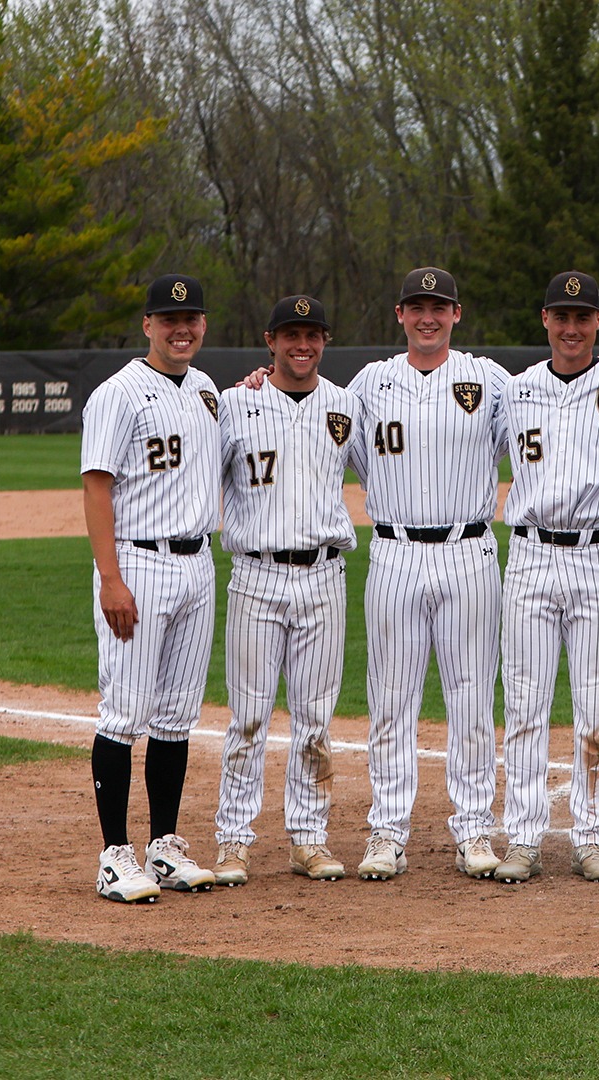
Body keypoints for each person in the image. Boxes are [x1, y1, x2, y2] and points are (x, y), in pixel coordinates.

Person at [348, 267, 511, 881]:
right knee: (392, 697)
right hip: (394, 551)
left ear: (456, 313)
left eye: (438, 306)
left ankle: (473, 828)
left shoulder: (488, 380)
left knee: (471, 694)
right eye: (417, 306)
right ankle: (387, 829)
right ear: (399, 314)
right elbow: (338, 442)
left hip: (468, 549)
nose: (428, 316)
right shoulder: (369, 385)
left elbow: (539, 419)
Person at [492, 272, 599, 884]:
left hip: (596, 556)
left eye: (582, 316)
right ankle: (524, 838)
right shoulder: (515, 390)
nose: (571, 327)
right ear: (544, 320)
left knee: (598, 707)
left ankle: (591, 835)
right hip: (530, 557)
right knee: (527, 703)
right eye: (561, 316)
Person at [210, 294, 363, 885]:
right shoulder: (235, 404)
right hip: (257, 573)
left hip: (324, 575)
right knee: (248, 716)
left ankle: (309, 837)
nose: (303, 345)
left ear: (325, 340)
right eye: (291, 335)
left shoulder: (347, 407)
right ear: (269, 340)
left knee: (316, 718)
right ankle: (234, 839)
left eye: (314, 334)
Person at [82, 274, 223, 901]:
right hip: (139, 564)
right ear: (148, 325)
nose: (181, 327)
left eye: (190, 317)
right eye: (169, 319)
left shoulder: (206, 389)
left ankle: (163, 846)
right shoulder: (117, 393)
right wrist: (111, 578)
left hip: (197, 566)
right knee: (125, 712)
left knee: (174, 718)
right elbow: (96, 487)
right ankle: (114, 857)